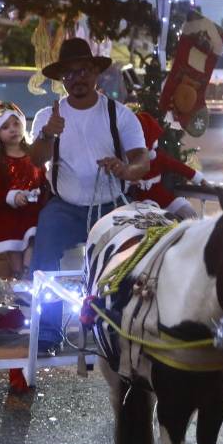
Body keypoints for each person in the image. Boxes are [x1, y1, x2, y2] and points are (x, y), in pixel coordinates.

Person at [28, 38, 149, 351]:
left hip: (111, 208)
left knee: (133, 259)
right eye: (69, 74)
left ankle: (123, 323)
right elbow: (34, 159)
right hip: (65, 207)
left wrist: (125, 169)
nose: (77, 79)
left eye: (83, 71)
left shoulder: (119, 115)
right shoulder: (47, 117)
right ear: (61, 81)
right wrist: (47, 134)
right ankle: (49, 328)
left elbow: (141, 160)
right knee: (44, 253)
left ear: (96, 72)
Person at [0, 102, 46, 279]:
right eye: (5, 127)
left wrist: (41, 194)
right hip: (7, 212)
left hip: (33, 210)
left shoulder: (34, 154)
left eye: (16, 124)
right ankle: (19, 274)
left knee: (34, 234)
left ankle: (28, 270)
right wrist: (11, 197)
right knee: (13, 240)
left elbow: (43, 179)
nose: (12, 130)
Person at [129, 110, 202, 219]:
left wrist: (199, 179)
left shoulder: (159, 158)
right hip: (139, 202)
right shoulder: (127, 161)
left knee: (187, 211)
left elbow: (179, 167)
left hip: (163, 198)